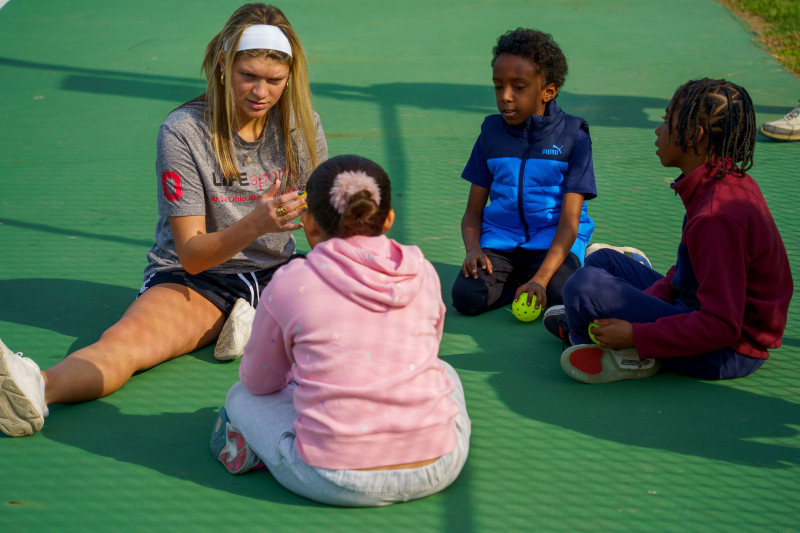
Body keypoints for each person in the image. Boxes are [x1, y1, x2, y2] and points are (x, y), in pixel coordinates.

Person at [0, 3, 327, 437]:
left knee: (347, 326)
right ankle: (37, 387)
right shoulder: (184, 130)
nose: (260, 92)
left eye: (274, 81)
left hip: (280, 272)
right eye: (248, 75)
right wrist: (256, 222)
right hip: (199, 279)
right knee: (125, 346)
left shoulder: (301, 125)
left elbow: (322, 225)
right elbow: (192, 255)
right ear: (225, 67)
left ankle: (257, 314)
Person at [210, 154, 470, 507]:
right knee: (446, 372)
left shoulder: (292, 282)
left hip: (334, 478)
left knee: (240, 396)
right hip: (438, 465)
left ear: (309, 224)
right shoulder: (422, 271)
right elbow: (428, 353)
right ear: (389, 218)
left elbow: (259, 383)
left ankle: (258, 449)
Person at [551, 78, 793, 384]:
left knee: (583, 285)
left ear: (695, 134)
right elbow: (691, 270)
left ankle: (601, 345)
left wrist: (637, 332)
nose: (658, 129)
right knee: (603, 261)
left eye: (666, 121)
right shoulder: (724, 179)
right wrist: (641, 309)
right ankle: (598, 325)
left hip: (727, 352)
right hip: (696, 311)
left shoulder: (716, 216)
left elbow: (721, 326)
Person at [451, 28, 597, 317]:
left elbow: (569, 221)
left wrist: (541, 280)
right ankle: (518, 280)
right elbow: (472, 211)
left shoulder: (573, 137)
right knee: (466, 298)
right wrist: (473, 250)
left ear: (548, 91)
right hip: (501, 242)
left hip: (554, 240)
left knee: (562, 296)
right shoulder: (490, 134)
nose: (505, 97)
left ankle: (592, 260)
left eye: (518, 87)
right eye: (498, 86)